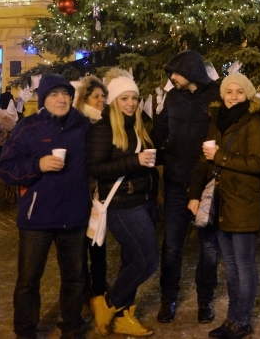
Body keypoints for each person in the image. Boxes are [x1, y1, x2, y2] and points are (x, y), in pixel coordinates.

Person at [0, 74, 91, 339]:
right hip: (36, 217)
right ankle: (26, 331)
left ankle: (71, 327)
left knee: (75, 278)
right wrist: (37, 165)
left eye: (65, 94)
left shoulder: (83, 126)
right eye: (54, 95)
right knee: (28, 281)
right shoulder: (29, 127)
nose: (61, 99)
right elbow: (4, 167)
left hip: (74, 217)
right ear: (43, 99)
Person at [187, 73, 260, 339]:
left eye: (239, 92)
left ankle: (241, 321)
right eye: (229, 92)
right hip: (221, 201)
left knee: (244, 265)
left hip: (243, 201)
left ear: (248, 95)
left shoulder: (252, 122)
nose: (233, 97)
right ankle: (234, 319)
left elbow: (257, 163)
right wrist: (195, 193)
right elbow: (203, 161)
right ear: (222, 95)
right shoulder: (218, 120)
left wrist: (220, 156)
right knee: (231, 265)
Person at [86, 70, 159, 337]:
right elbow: (95, 168)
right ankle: (107, 302)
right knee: (147, 261)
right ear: (114, 101)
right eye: (124, 98)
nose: (130, 103)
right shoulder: (102, 129)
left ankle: (124, 316)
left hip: (145, 201)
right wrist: (135, 161)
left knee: (131, 261)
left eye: (134, 98)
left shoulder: (138, 127)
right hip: (122, 205)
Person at [151, 50, 222, 324]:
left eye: (176, 72)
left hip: (205, 184)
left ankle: (205, 300)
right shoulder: (172, 97)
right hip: (176, 183)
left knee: (209, 245)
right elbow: (160, 130)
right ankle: (167, 299)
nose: (172, 77)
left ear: (191, 72)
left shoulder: (215, 96)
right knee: (172, 244)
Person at [73, 76, 110, 307]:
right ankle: (84, 287)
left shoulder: (103, 122)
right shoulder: (80, 122)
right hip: (81, 190)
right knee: (81, 244)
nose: (101, 100)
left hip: (98, 191)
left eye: (103, 96)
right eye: (96, 96)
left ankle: (99, 286)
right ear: (85, 99)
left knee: (98, 240)